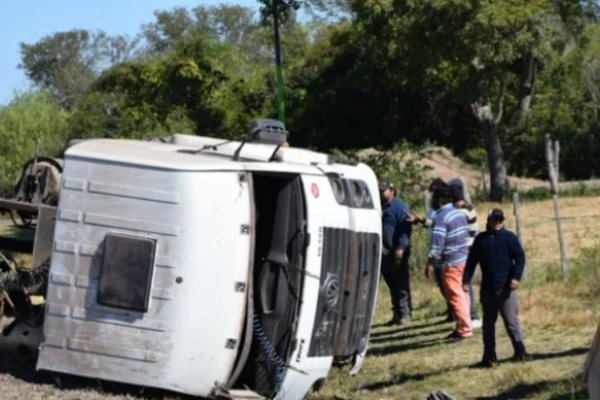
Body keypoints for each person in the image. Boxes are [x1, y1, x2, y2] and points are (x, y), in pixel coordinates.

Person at [463, 208, 528, 367]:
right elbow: (471, 261)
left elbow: (520, 258)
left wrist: (516, 277)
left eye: (500, 219)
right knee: (488, 325)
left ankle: (521, 352)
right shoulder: (481, 239)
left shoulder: (509, 238)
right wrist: (465, 280)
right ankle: (489, 357)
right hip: (487, 289)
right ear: (489, 220)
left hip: (506, 288)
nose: (497, 222)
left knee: (511, 321)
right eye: (494, 219)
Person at [425, 184, 472, 340]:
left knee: (455, 296)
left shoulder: (441, 217)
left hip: (451, 262)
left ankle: (464, 330)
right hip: (464, 259)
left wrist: (430, 263)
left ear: (439, 199)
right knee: (463, 294)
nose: (431, 200)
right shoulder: (458, 214)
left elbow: (437, 243)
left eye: (433, 197)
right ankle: (464, 326)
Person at [448, 179, 482, 329]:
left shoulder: (462, 211)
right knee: (463, 283)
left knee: (465, 283)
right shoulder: (468, 208)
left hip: (465, 251)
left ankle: (472, 315)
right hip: (468, 249)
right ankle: (465, 314)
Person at [380, 180, 413, 325]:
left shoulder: (400, 207)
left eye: (383, 190)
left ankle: (405, 313)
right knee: (392, 283)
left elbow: (406, 229)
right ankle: (397, 314)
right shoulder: (379, 207)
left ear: (392, 190)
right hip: (384, 252)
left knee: (401, 283)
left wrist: (400, 247)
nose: (381, 193)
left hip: (398, 252)